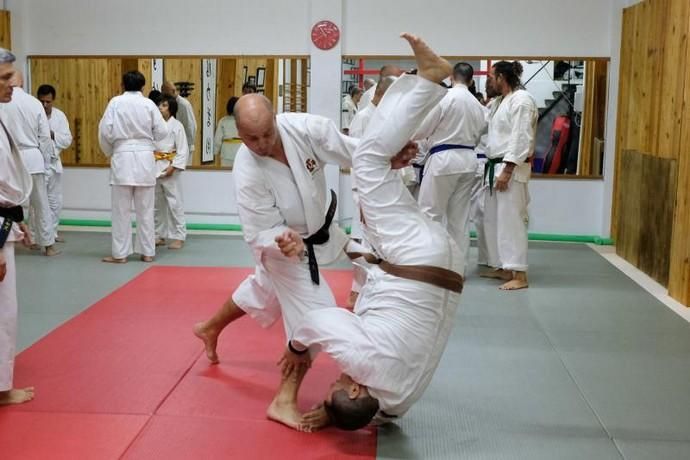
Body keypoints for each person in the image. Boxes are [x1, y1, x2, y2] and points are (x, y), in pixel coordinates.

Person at [271, 33, 463, 432]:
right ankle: (430, 80)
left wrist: (338, 415)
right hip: (414, 257)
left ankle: (421, 92)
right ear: (356, 390)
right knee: (369, 162)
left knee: (358, 213)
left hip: (439, 267)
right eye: (338, 385)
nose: (337, 376)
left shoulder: (397, 400)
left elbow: (380, 415)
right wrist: (296, 349)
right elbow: (314, 322)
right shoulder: (362, 364)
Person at [192, 94, 414, 372]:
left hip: (318, 228)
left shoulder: (305, 129)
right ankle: (286, 396)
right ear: (238, 134)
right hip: (282, 248)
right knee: (317, 314)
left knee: (263, 290)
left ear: (276, 119)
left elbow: (349, 148)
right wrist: (285, 240)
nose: (262, 144)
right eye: (252, 139)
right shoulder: (246, 170)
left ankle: (209, 328)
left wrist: (388, 158)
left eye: (267, 134)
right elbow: (259, 229)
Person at [414, 62, 487, 268]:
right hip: (468, 159)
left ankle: (426, 263)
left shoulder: (445, 98)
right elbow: (482, 131)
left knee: (430, 213)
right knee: (459, 219)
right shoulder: (477, 105)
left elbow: (422, 129)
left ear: (451, 78)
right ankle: (457, 269)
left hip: (444, 158)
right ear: (471, 81)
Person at [98, 71, 168, 263]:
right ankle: (148, 252)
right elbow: (162, 131)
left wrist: (111, 151)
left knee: (121, 211)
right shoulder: (148, 104)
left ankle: (120, 254)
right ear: (143, 86)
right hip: (145, 158)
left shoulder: (115, 103)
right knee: (146, 209)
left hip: (122, 156)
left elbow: (105, 131)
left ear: (123, 84)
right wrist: (148, 139)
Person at [481, 61, 538, 290]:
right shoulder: (498, 102)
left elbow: (520, 137)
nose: (489, 81)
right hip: (495, 166)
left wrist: (508, 169)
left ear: (502, 77)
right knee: (494, 220)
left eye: (491, 77)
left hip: (510, 169)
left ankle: (520, 274)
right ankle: (505, 267)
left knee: (512, 220)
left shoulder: (522, 100)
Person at [0, 47, 35, 406]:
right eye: (5, 78)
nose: (14, 84)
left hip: (5, 217)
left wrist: (15, 221)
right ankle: (1, 389)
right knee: (2, 311)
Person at [0, 71, 59, 257]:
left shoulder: (4, 103)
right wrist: (47, 162)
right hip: (33, 156)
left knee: (6, 201)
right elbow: (45, 137)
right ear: (22, 83)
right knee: (41, 203)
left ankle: (7, 241)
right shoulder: (34, 103)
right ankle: (48, 245)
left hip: (10, 156)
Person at [36, 84, 73, 244]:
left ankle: (52, 234)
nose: (45, 105)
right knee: (37, 203)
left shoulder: (59, 116)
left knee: (55, 202)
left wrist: (51, 134)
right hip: (37, 164)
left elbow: (67, 139)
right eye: (42, 101)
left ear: (53, 100)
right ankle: (35, 237)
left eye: (48, 102)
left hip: (53, 163)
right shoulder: (33, 114)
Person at [154, 94, 189, 250]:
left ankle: (179, 236)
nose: (160, 108)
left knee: (174, 203)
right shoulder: (154, 125)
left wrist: (173, 167)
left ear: (172, 109)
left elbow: (182, 150)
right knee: (156, 204)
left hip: (170, 167)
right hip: (155, 166)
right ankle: (158, 234)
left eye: (164, 105)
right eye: (159, 105)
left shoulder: (177, 126)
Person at [161, 81, 196, 165]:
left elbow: (191, 126)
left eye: (165, 92)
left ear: (173, 91)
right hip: (173, 146)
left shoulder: (184, 105)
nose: (163, 95)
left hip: (186, 145)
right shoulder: (168, 104)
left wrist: (187, 145)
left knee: (185, 174)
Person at [213, 96, 241, 166]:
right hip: (240, 151)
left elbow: (217, 139)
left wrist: (215, 151)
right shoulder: (244, 120)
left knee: (226, 174)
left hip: (226, 152)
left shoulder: (223, 121)